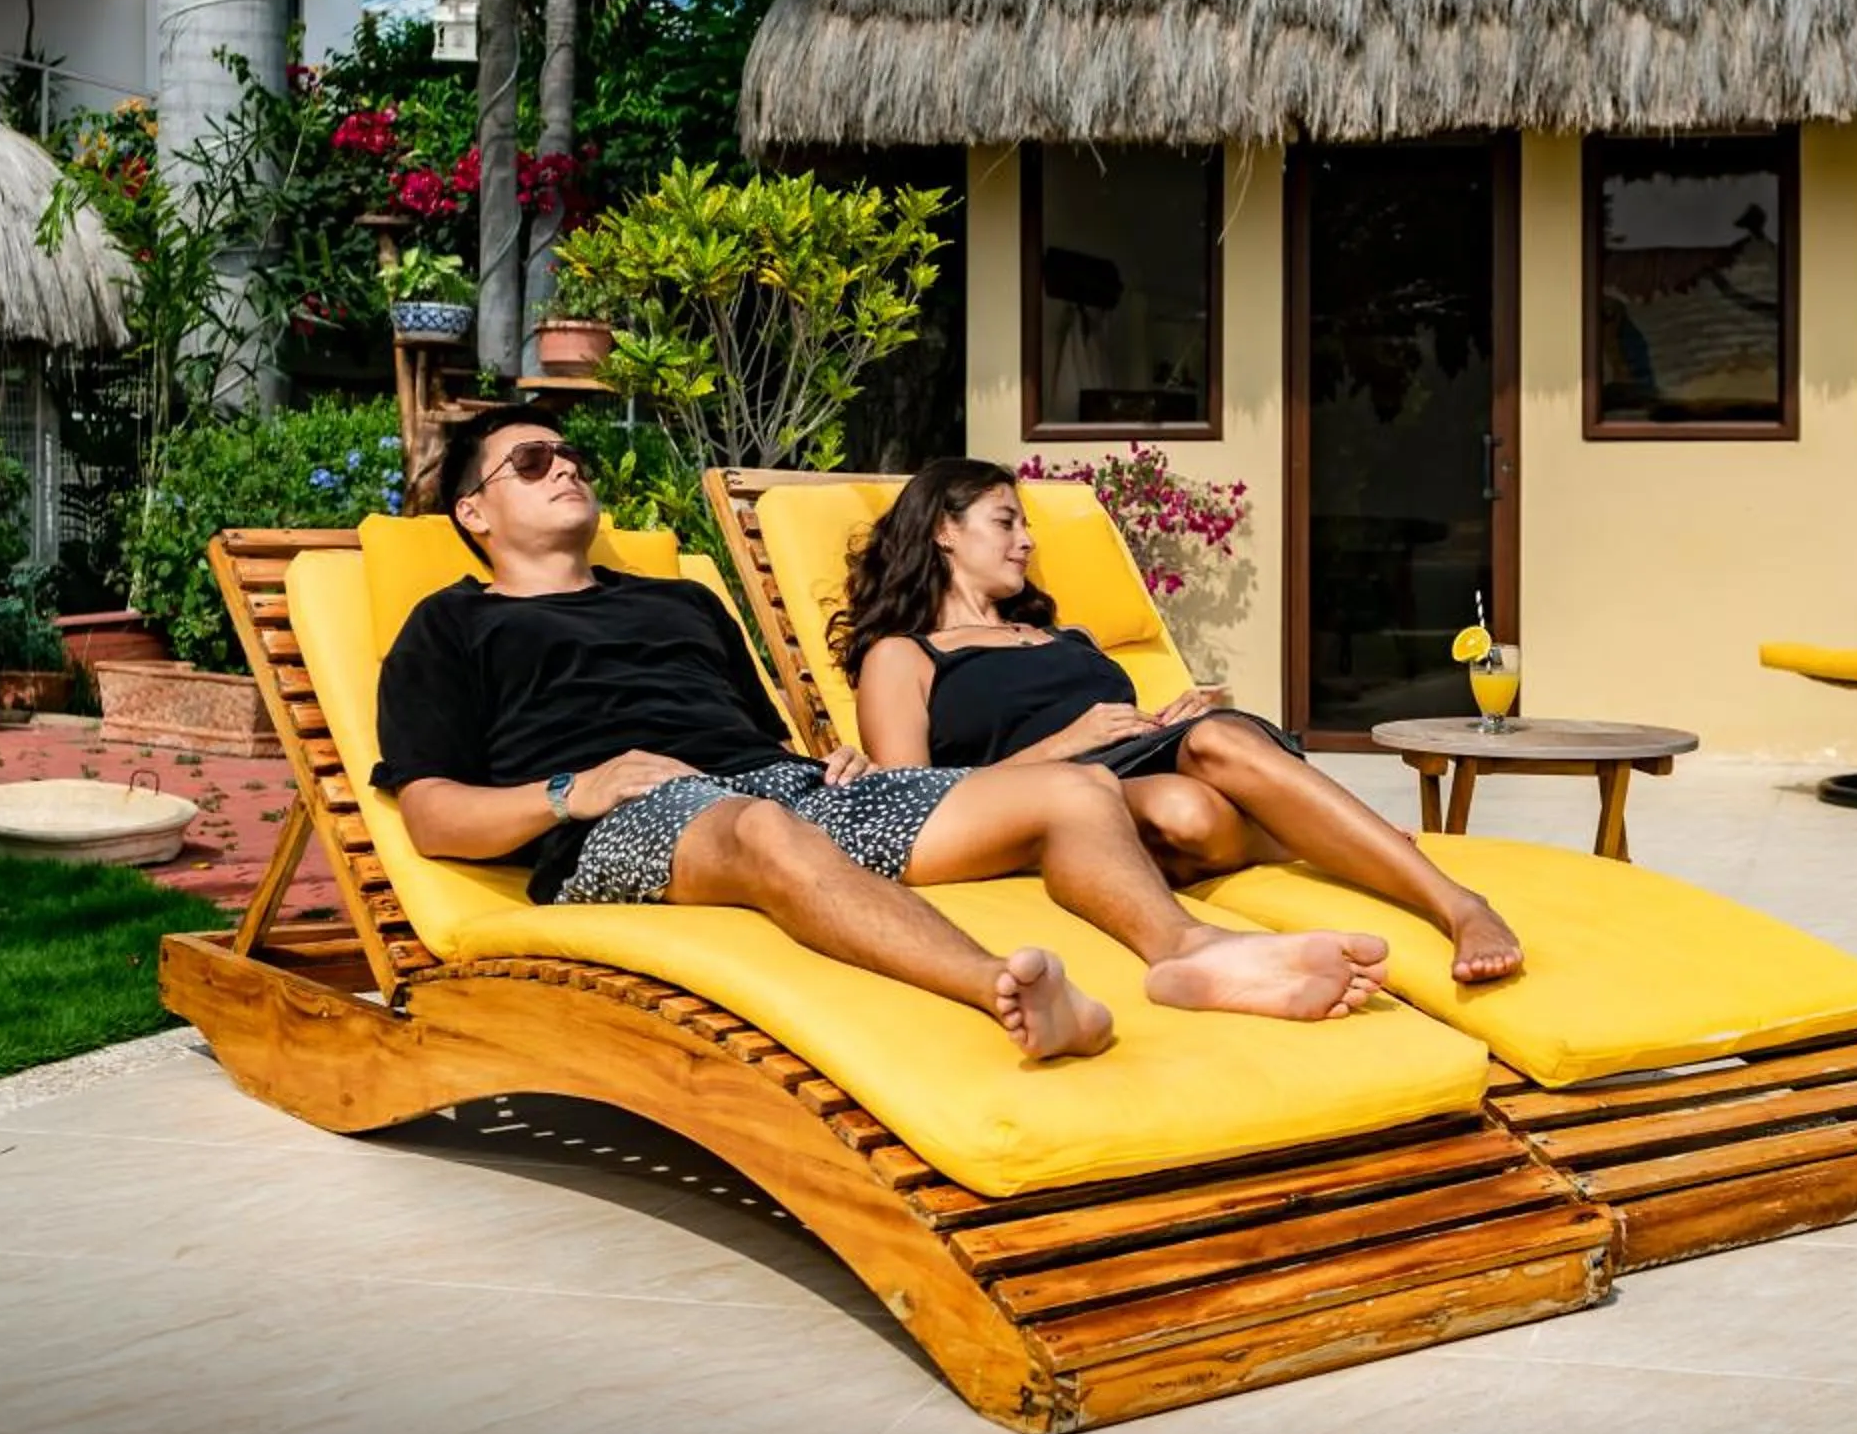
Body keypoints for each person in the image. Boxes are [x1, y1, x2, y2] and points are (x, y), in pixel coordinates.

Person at [372, 407, 1396, 1063]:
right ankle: (1002, 992)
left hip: (785, 790)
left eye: (573, 455)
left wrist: (824, 767)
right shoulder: (453, 624)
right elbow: (428, 812)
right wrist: (572, 790)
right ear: (473, 510)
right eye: (533, 460)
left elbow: (750, 738)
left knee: (1076, 791)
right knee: (764, 833)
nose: (567, 470)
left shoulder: (682, 601)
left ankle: (1188, 953)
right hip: (621, 822)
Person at [841, 460, 1524, 984]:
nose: (1026, 541)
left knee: (1211, 741)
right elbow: (908, 804)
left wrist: (1171, 719)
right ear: (943, 530)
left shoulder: (1064, 636)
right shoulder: (905, 655)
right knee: (1185, 808)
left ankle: (1459, 906)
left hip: (1143, 761)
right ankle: (1318, 836)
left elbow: (1126, 728)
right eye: (1005, 522)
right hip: (1054, 800)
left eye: (1026, 525)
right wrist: (1064, 746)